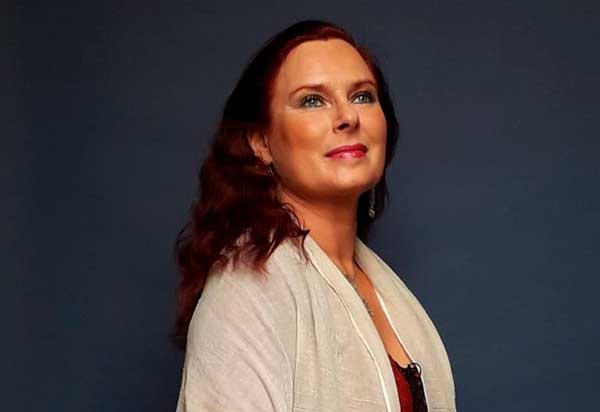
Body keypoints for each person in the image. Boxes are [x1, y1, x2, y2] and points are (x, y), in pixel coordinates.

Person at [172, 20, 456, 412]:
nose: (348, 117)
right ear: (261, 142)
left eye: (362, 96)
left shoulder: (384, 288)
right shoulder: (247, 290)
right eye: (312, 101)